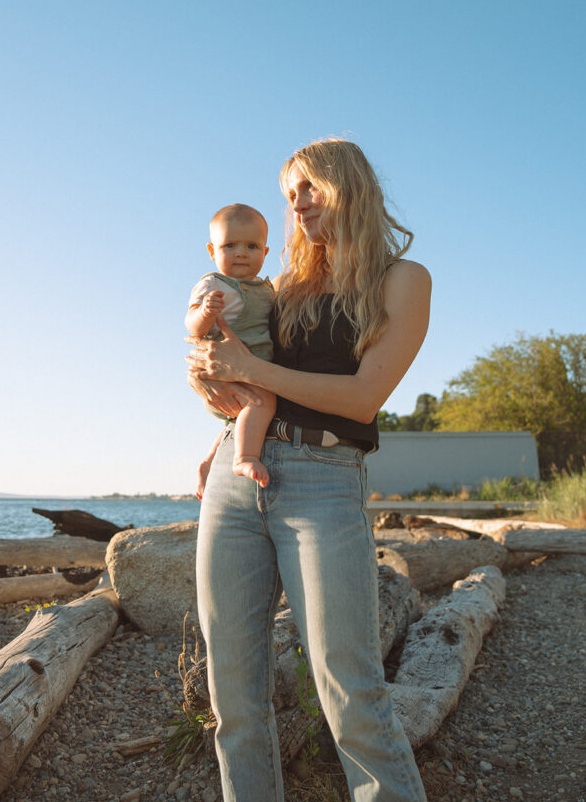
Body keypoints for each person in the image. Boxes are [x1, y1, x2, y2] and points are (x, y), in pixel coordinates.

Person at [187, 138, 431, 802]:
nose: (295, 205)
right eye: (289, 193)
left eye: (308, 188)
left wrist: (245, 370)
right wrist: (209, 386)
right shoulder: (280, 283)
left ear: (347, 186)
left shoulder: (401, 279)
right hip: (240, 483)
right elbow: (222, 366)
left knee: (348, 690)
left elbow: (361, 397)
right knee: (233, 699)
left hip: (325, 481)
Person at [185, 203, 276, 498]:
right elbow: (192, 326)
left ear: (265, 253)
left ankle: (209, 463)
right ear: (212, 251)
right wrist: (205, 313)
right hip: (229, 376)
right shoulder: (213, 284)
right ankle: (244, 457)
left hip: (251, 369)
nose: (240, 252)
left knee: (237, 421)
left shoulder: (265, 288)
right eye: (230, 245)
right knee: (262, 402)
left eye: (251, 246)